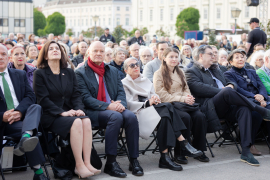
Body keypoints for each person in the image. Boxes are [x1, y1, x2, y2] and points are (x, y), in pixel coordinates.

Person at [185, 45, 270, 166]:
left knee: (244, 109)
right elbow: (199, 88)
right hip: (209, 107)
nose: (214, 56)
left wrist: (230, 87)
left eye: (214, 54)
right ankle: (260, 109)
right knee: (228, 91)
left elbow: (231, 84)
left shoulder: (216, 69)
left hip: (227, 105)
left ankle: (246, 151)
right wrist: (225, 91)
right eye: (210, 54)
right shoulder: (191, 71)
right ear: (201, 56)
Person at [75, 41, 143, 178]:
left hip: (113, 108)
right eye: (95, 51)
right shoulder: (80, 72)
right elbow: (85, 98)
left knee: (130, 116)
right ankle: (111, 163)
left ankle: (134, 160)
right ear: (89, 52)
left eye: (102, 51)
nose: (99, 54)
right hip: (93, 111)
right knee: (115, 117)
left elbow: (120, 91)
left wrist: (121, 104)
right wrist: (108, 106)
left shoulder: (112, 70)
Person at [33, 41, 100, 178]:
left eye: (57, 48)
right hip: (51, 115)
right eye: (50, 49)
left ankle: (87, 163)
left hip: (71, 112)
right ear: (45, 55)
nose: (55, 50)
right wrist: (61, 112)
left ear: (62, 53)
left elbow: (76, 95)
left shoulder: (69, 72)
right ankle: (78, 165)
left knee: (86, 120)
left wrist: (79, 109)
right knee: (76, 122)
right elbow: (43, 100)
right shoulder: (39, 74)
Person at [122, 57, 202, 171]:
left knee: (164, 117)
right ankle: (183, 142)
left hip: (154, 111)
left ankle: (165, 157)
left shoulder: (145, 80)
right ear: (126, 70)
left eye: (137, 64)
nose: (136, 66)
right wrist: (147, 102)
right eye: (132, 65)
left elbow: (155, 96)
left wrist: (155, 98)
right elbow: (129, 103)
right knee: (167, 107)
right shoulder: (124, 83)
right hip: (138, 114)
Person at [0, 44, 48, 180]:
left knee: (36, 107)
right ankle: (38, 173)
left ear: (8, 58)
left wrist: (20, 112)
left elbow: (30, 96)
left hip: (23, 117)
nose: (0, 57)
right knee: (31, 131)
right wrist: (3, 116)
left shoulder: (19, 74)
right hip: (5, 122)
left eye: (3, 54)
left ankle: (25, 137)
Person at [153, 47, 208, 163]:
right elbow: (162, 95)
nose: (174, 59)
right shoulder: (158, 74)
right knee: (185, 117)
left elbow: (186, 88)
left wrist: (188, 97)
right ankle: (180, 152)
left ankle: (198, 149)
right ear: (164, 58)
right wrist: (182, 98)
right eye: (171, 57)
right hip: (171, 105)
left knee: (200, 117)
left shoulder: (180, 71)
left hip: (184, 103)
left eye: (176, 57)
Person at [224, 49, 270, 156]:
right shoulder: (228, 74)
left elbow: (261, 87)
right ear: (231, 62)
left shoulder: (252, 71)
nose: (240, 59)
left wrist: (262, 97)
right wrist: (255, 97)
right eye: (237, 57)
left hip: (259, 99)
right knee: (256, 113)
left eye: (242, 56)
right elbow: (238, 89)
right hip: (244, 101)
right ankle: (250, 144)